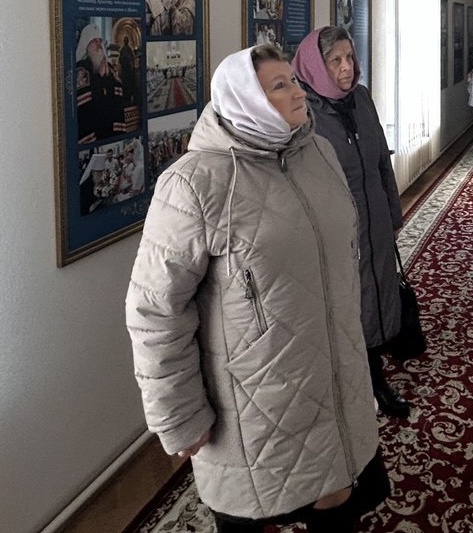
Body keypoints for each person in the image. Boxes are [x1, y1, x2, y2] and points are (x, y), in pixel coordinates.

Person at [126, 44, 389, 533]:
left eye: (294, 80)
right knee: (256, 511)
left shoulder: (319, 153)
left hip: (334, 375)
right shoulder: (194, 184)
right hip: (256, 397)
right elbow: (155, 310)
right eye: (279, 85)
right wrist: (178, 414)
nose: (298, 92)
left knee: (338, 502)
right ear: (244, 99)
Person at [292, 26, 411, 420]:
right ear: (316, 65)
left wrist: (392, 212)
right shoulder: (303, 111)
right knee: (347, 302)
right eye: (335, 61)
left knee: (377, 290)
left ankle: (374, 367)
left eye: (350, 57)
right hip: (336, 229)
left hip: (374, 216)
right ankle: (360, 379)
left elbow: (380, 161)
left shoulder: (361, 97)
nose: (347, 67)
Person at [74, 23, 128, 143]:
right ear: (86, 45)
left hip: (110, 128)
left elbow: (118, 92)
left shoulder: (109, 67)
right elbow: (85, 104)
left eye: (99, 40)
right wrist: (100, 77)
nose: (98, 44)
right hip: (94, 130)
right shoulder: (81, 70)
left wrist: (106, 78)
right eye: (94, 41)